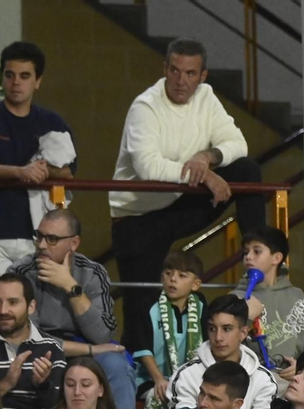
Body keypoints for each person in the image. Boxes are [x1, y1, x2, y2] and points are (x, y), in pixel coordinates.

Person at [110, 36, 263, 358]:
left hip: (178, 203)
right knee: (143, 308)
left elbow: (238, 143)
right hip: (137, 217)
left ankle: (258, 256)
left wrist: (208, 156)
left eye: (190, 74)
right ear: (165, 68)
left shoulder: (206, 97)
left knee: (247, 169)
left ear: (202, 76)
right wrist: (202, 174)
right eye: (176, 71)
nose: (182, 81)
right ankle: (140, 385)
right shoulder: (146, 106)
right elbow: (146, 165)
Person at [0, 41, 76, 271]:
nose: (16, 83)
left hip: (40, 235)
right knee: (0, 302)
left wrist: (43, 171)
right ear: (1, 78)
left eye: (24, 76)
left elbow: (68, 173)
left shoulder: (53, 123)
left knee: (36, 303)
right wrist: (20, 172)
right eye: (10, 75)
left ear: (38, 81)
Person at [11, 208, 132, 409]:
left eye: (51, 239)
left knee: (115, 364)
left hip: (83, 351)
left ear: (73, 243)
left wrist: (70, 286)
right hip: (41, 353)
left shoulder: (93, 273)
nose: (41, 245)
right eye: (39, 236)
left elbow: (102, 335)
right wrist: (90, 350)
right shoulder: (21, 273)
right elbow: (31, 340)